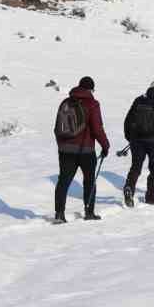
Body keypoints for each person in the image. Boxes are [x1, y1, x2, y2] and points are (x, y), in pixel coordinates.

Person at [54, 76, 110, 222]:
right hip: (85, 150)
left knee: (63, 181)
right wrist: (105, 145)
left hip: (65, 150)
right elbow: (97, 129)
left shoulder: (65, 102)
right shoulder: (93, 104)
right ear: (91, 89)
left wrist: (62, 145)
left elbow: (57, 128)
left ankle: (59, 214)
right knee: (89, 181)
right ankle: (89, 212)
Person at [120, 80, 154, 206]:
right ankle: (150, 196)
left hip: (137, 141)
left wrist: (130, 138)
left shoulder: (139, 100)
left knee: (136, 166)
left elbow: (128, 120)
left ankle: (129, 187)